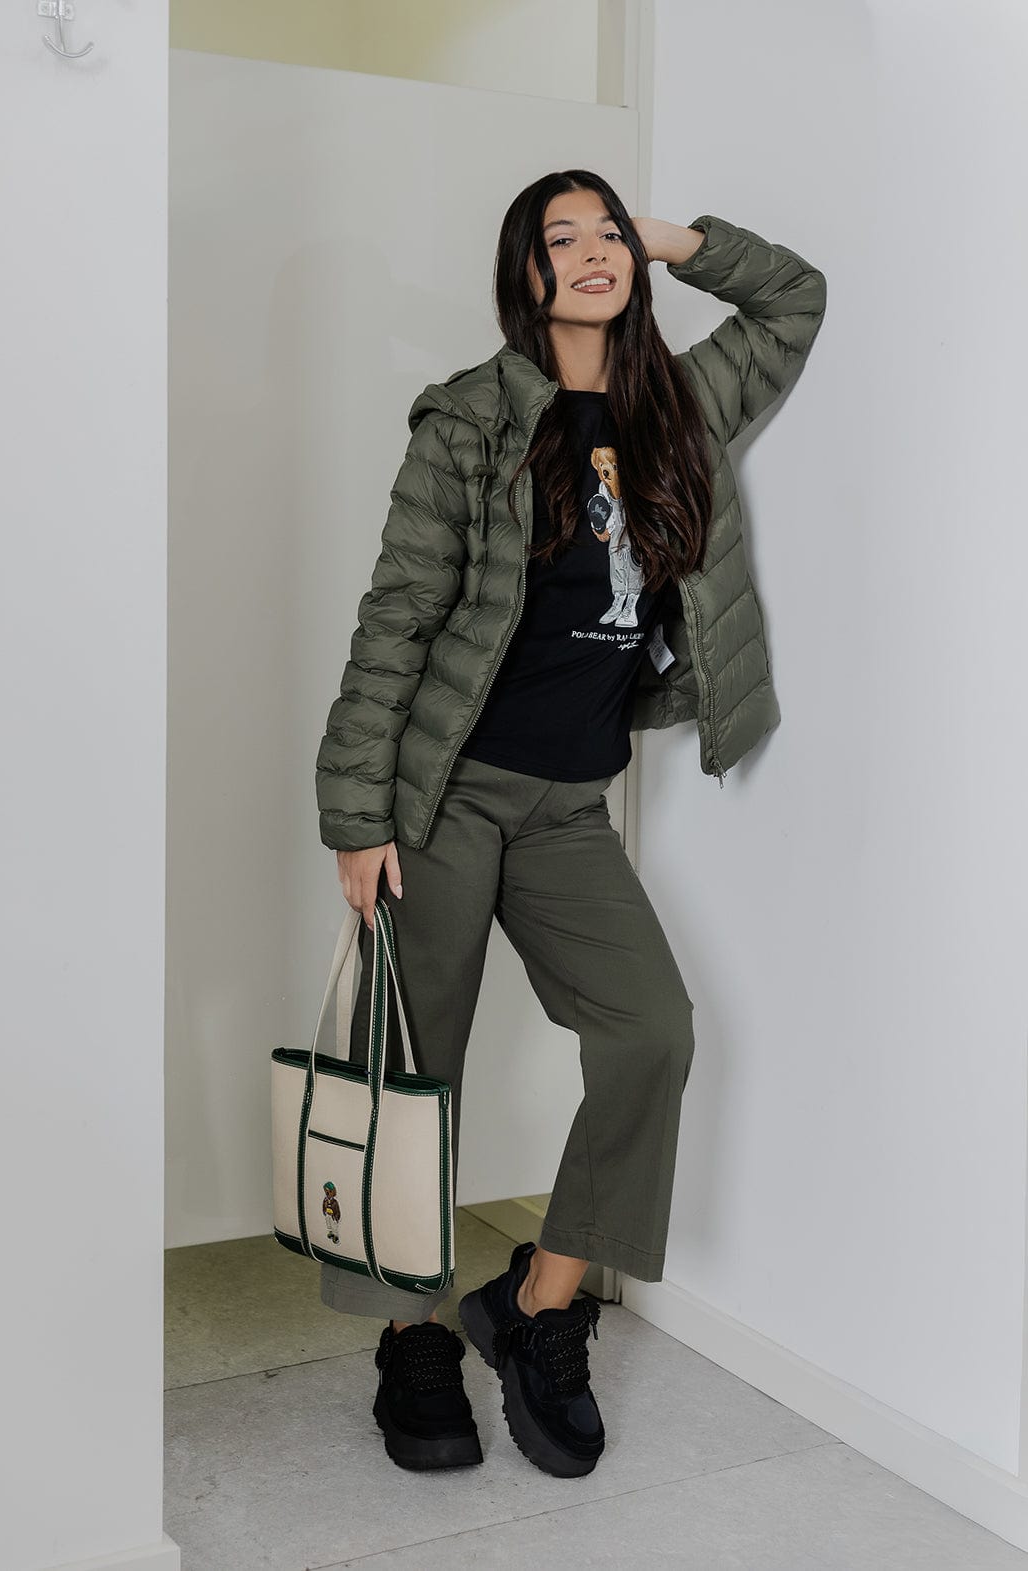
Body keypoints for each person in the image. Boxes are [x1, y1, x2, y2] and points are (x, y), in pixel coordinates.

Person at [314, 169, 827, 1477]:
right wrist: (356, 813)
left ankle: (539, 1305)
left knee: (653, 1033)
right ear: (523, 273)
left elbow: (792, 301)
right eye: (563, 237)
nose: (593, 253)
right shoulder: (471, 420)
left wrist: (670, 239)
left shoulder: (682, 407)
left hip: (567, 807)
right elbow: (396, 620)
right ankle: (412, 1334)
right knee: (414, 1073)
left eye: (608, 235)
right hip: (443, 793)